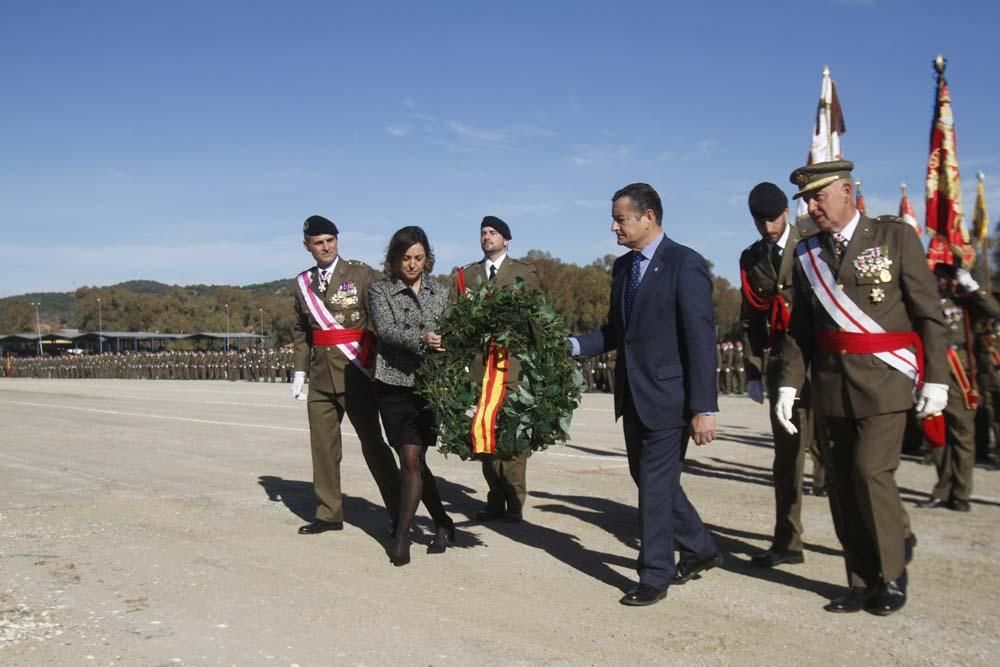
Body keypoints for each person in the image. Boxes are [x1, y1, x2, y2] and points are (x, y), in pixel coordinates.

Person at [776, 161, 948, 616]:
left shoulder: (895, 238)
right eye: (806, 201)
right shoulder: (807, 253)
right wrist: (788, 387)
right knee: (842, 487)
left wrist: (936, 379)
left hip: (886, 381)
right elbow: (800, 331)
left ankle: (891, 575)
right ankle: (859, 580)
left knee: (871, 473)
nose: (811, 208)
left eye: (818, 197)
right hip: (832, 386)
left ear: (848, 191)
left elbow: (929, 314)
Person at [570, 182, 721, 607]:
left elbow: (700, 339)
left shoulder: (684, 264)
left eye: (621, 218)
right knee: (653, 480)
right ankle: (701, 547)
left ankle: (654, 574)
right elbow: (617, 333)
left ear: (648, 216)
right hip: (633, 396)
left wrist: (704, 407)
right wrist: (572, 346)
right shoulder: (622, 268)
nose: (614, 226)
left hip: (671, 399)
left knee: (654, 486)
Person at [291, 215, 401, 535]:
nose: (325, 247)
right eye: (318, 243)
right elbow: (301, 331)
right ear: (307, 246)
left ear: (337, 240)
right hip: (321, 377)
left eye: (330, 241)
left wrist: (381, 361)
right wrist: (299, 370)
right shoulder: (302, 284)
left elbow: (382, 314)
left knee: (373, 445)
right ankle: (328, 513)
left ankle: (398, 510)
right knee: (323, 448)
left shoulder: (361, 274)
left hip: (357, 373)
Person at [738, 181, 822, 568]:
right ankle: (788, 541)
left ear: (786, 212)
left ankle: (888, 535)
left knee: (849, 458)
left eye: (773, 219)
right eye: (760, 221)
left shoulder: (813, 239)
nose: (768, 228)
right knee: (786, 461)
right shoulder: (752, 257)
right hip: (781, 369)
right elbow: (752, 318)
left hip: (824, 364)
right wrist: (754, 371)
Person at [368, 226, 454, 566]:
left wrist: (446, 341)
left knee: (412, 459)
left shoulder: (442, 292)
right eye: (406, 258)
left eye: (419, 258)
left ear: (427, 258)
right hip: (391, 384)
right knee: (412, 461)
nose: (412, 265)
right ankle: (443, 522)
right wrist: (424, 337)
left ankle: (402, 535)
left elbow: (452, 328)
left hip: (426, 386)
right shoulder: (380, 290)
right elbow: (386, 331)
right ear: (393, 259)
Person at [457, 216, 540, 523]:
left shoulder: (523, 272)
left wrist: (540, 361)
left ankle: (515, 499)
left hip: (513, 365)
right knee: (485, 432)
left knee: (514, 433)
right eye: (483, 233)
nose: (486, 237)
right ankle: (494, 497)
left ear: (506, 239)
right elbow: (460, 319)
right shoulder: (468, 274)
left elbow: (536, 318)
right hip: (480, 367)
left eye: (493, 233)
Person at [917, 262, 1000, 511]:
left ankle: (961, 493)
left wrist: (971, 286)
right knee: (937, 434)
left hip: (960, 374)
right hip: (931, 371)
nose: (941, 281)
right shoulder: (923, 302)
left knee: (962, 435)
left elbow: (993, 309)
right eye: (939, 277)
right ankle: (943, 489)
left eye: (946, 277)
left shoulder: (965, 303)